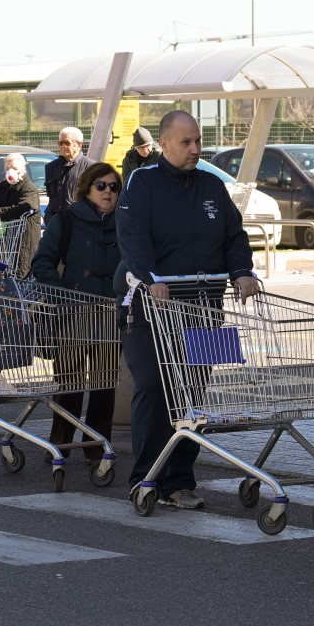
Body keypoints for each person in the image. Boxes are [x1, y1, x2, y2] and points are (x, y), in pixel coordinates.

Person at [116, 110, 259, 510]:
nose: (195, 149)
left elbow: (235, 235)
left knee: (192, 394)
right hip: (150, 308)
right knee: (154, 391)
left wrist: (242, 272)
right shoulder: (141, 183)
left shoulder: (213, 186)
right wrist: (148, 276)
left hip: (205, 308)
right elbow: (132, 237)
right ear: (164, 143)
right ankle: (146, 478)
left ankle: (179, 481)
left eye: (198, 141)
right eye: (186, 142)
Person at [31, 161, 123, 461]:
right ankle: (60, 443)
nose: (108, 192)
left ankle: (97, 449)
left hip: (110, 312)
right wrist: (58, 292)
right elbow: (42, 260)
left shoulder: (125, 222)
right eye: (101, 186)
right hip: (73, 312)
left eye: (114, 187)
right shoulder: (67, 219)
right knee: (69, 383)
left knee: (104, 385)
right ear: (87, 188)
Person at [0, 152, 42, 277]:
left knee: (21, 274)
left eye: (14, 169)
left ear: (22, 170)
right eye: (7, 169)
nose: (10, 172)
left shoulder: (29, 189)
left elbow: (23, 208)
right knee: (3, 273)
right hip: (6, 242)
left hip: (23, 240)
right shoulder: (2, 187)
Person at [43, 126, 95, 224]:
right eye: (60, 143)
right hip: (54, 221)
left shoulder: (91, 167)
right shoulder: (51, 167)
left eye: (67, 143)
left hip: (79, 222)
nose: (63, 146)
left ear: (79, 144)